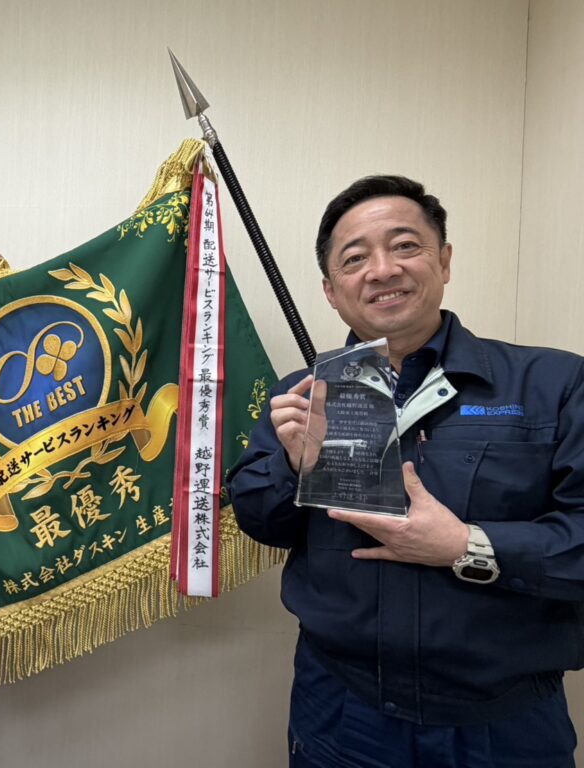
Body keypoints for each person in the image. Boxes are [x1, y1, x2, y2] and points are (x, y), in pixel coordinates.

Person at [229, 176, 584, 767]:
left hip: (505, 720)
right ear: (331, 290)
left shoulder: (554, 384)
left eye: (405, 246)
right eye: (355, 258)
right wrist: (297, 467)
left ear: (444, 261)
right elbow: (260, 522)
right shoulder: (304, 395)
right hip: (341, 711)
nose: (382, 269)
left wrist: (466, 545)